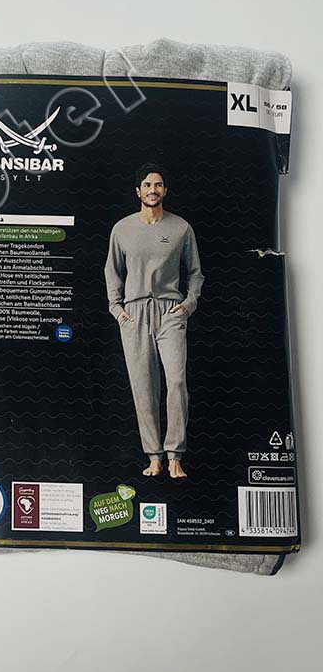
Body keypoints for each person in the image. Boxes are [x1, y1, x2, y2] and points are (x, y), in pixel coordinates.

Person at [104, 162, 204, 479]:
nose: (152, 190)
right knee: (143, 387)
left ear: (165, 190)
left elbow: (195, 272)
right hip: (134, 313)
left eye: (158, 184)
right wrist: (117, 309)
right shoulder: (122, 229)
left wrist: (188, 304)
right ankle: (154, 456)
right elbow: (112, 271)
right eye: (147, 185)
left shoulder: (181, 228)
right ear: (138, 191)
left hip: (170, 311)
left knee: (176, 381)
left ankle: (175, 455)